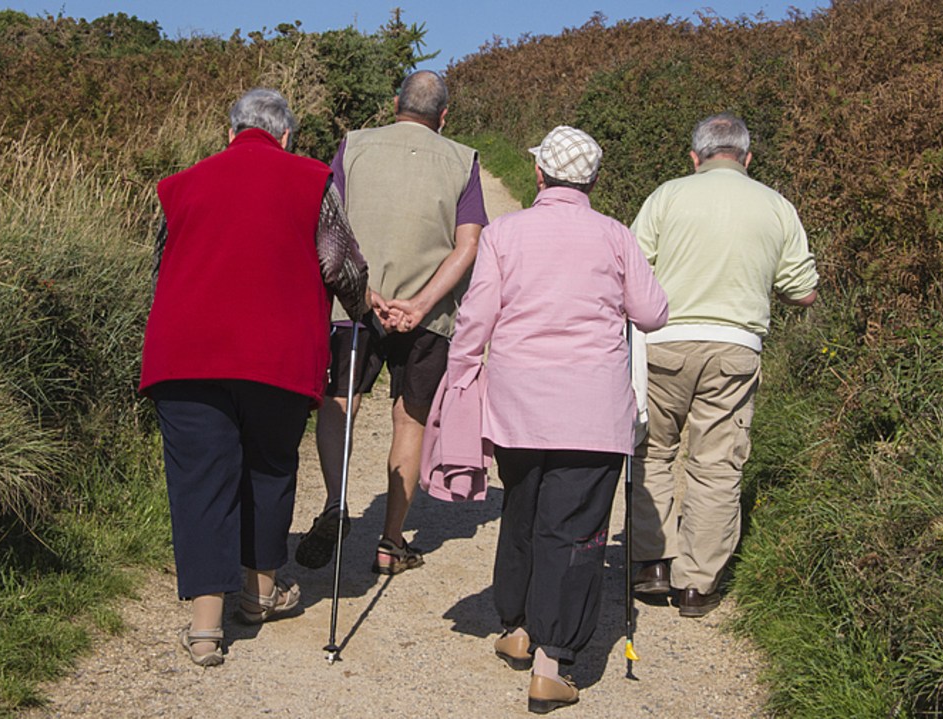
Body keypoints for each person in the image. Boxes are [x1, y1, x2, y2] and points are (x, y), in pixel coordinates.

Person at [138, 89, 369, 667]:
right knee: (269, 468)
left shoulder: (181, 184)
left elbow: (161, 265)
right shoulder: (311, 180)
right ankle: (259, 595)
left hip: (186, 354)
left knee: (200, 480)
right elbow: (339, 264)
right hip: (276, 357)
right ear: (287, 135)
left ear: (230, 131)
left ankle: (204, 630)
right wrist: (365, 306)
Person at [448, 126, 668, 713]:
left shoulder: (505, 234)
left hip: (519, 405)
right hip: (591, 410)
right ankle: (552, 662)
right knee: (572, 527)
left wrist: (462, 378)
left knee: (522, 510)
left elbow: (475, 319)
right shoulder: (615, 237)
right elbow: (652, 313)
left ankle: (517, 629)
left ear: (539, 174)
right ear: (592, 181)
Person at [294, 70, 488, 575]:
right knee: (410, 418)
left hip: (355, 305)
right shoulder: (463, 160)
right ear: (444, 116)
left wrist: (365, 292)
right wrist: (421, 304)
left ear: (394, 103)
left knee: (340, 403)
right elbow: (468, 244)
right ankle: (390, 540)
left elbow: (328, 224)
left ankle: (336, 504)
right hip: (428, 315)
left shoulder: (352, 146)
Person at [627, 112, 818, 618]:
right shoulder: (777, 206)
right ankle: (697, 583)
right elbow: (804, 291)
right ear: (748, 158)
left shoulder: (667, 196)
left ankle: (653, 562)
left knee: (652, 451)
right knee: (716, 465)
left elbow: (630, 265)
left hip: (664, 341)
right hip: (734, 347)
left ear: (695, 158)